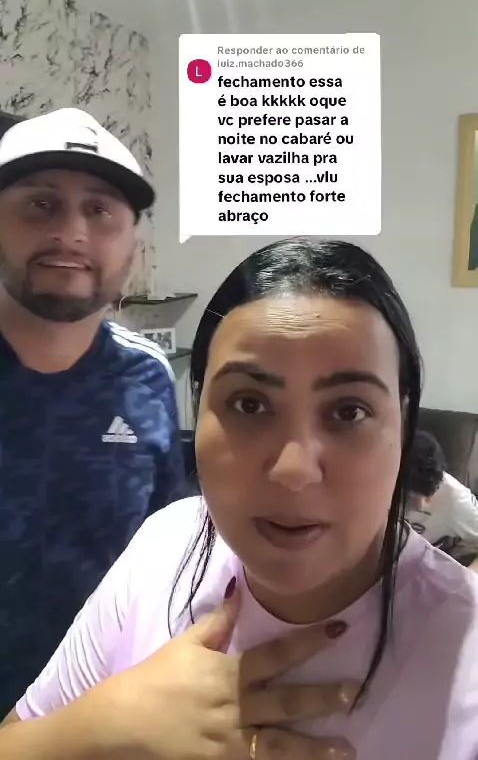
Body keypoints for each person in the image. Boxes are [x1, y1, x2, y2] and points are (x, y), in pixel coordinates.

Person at [2, 237, 478, 760]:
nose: (294, 470)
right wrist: (101, 725)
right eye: (249, 404)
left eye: (349, 412)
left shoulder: (466, 649)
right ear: (197, 409)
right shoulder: (163, 548)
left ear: (404, 425)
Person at [0, 107, 186, 717]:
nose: (71, 233)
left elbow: (165, 554)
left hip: (107, 717)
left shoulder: (149, 379)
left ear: (133, 245)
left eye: (100, 210)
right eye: (41, 205)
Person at [406, 429, 478, 568]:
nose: (421, 506)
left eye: (431, 493)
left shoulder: (455, 500)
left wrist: (467, 577)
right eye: (409, 497)